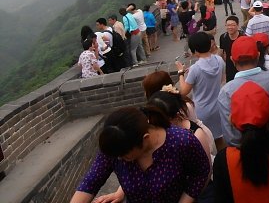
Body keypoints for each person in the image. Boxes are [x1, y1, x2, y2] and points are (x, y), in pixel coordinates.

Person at [71, 106, 210, 203]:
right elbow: (91, 182)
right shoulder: (116, 146)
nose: (119, 159)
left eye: (125, 155)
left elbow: (200, 173)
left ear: (145, 139)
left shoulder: (181, 141)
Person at [217, 36, 269, 147]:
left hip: (247, 156)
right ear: (258, 55)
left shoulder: (226, 92)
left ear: (232, 59)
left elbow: (231, 138)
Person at [147, 87, 215, 203]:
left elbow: (205, 172)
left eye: (160, 121)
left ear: (175, 116)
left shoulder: (196, 135)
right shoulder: (153, 131)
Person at [176, 32, 226, 151]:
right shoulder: (219, 60)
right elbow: (222, 80)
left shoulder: (195, 68)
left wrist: (181, 73)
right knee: (219, 139)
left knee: (206, 143)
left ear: (194, 50)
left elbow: (183, 92)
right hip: (218, 106)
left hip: (202, 109)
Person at [218, 15, 244, 82]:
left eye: (233, 25)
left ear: (238, 25)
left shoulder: (243, 38)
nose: (230, 27)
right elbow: (221, 52)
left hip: (242, 66)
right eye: (228, 25)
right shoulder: (223, 37)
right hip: (229, 67)